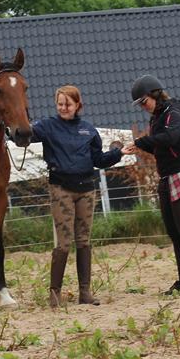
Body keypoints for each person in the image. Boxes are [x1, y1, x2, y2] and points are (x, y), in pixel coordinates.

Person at [31, 85, 123, 307]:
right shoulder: (47, 126)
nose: (63, 107)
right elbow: (25, 135)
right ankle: (55, 293)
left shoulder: (89, 131)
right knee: (63, 243)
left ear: (78, 105)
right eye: (60, 104)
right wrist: (12, 129)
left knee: (83, 241)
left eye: (68, 104)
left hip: (86, 190)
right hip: (61, 189)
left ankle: (85, 292)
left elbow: (98, 160)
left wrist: (118, 153)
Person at [122, 74, 180, 294]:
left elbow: (169, 139)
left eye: (144, 102)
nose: (143, 107)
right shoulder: (156, 118)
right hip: (167, 177)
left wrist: (140, 141)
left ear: (154, 95)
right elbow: (158, 147)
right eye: (140, 104)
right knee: (174, 231)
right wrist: (140, 146)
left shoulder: (173, 114)